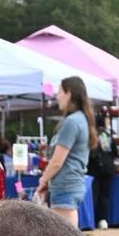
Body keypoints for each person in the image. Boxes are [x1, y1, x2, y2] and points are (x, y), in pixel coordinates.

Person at [36, 76, 97, 227]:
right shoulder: (81, 119)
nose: (57, 96)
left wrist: (43, 180)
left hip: (65, 185)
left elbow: (57, 161)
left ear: (68, 93)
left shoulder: (72, 122)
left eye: (59, 92)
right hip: (71, 184)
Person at [88, 109, 118, 228]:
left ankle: (93, 220)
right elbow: (115, 152)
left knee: (94, 194)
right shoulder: (108, 135)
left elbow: (91, 153)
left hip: (95, 168)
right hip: (109, 168)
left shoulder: (92, 135)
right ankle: (103, 220)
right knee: (105, 195)